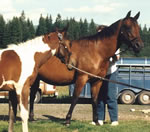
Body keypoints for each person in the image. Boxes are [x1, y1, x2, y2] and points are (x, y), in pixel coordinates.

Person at [91, 25, 120, 126]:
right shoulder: (95, 45)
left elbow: (117, 58)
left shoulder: (113, 44)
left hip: (111, 72)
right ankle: (99, 119)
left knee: (111, 96)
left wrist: (112, 55)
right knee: (99, 97)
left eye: (101, 33)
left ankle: (114, 120)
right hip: (99, 74)